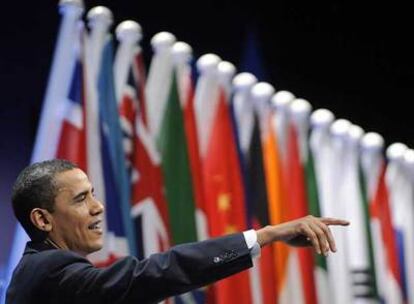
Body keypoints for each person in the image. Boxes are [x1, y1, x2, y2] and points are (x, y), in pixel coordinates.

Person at [6, 159, 349, 304]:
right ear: (43, 220)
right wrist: (264, 236)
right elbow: (149, 276)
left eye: (94, 194)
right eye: (82, 199)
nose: (98, 207)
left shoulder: (52, 275)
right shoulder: (47, 270)